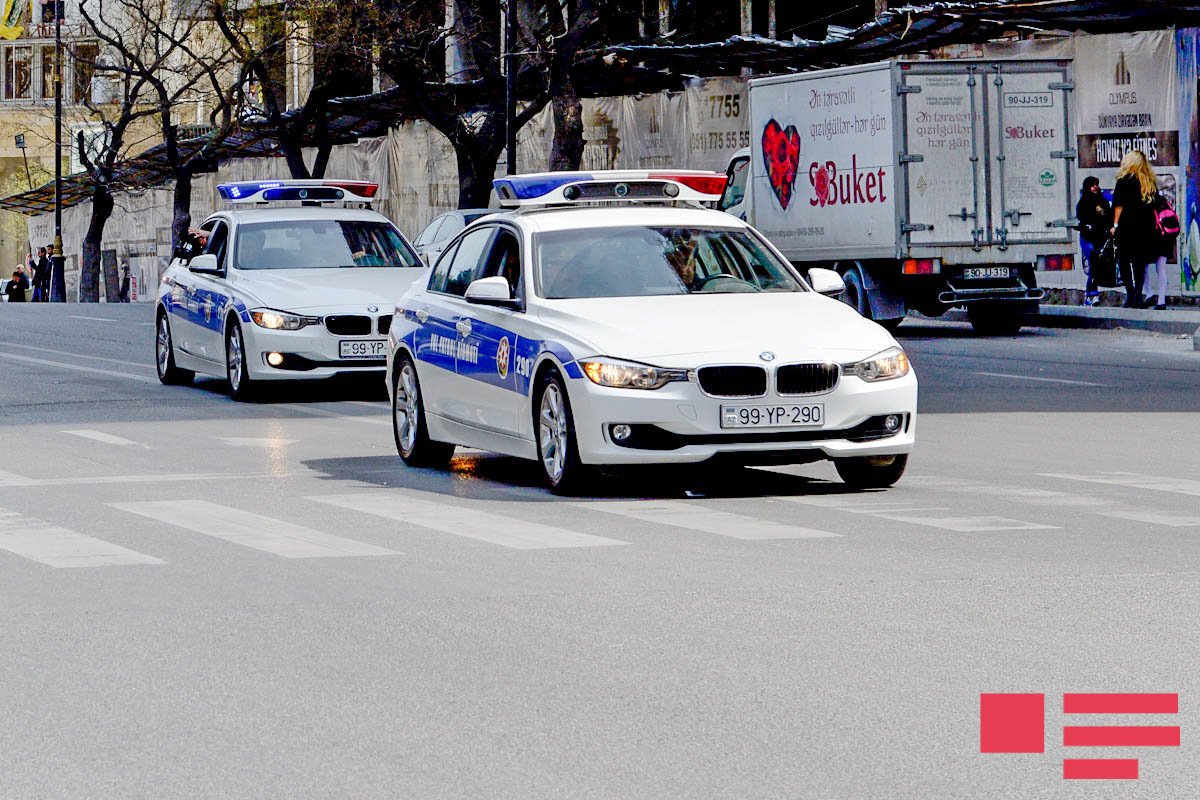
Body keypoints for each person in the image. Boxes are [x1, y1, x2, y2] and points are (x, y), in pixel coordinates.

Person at [1111, 151, 1163, 308]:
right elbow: (1156, 204)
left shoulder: (1123, 181)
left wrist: (1115, 225)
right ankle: (1139, 295)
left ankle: (1130, 294)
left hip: (1126, 227)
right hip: (1145, 228)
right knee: (1139, 263)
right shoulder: (1150, 182)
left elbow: (1118, 206)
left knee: (1124, 261)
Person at [1075, 177, 1110, 306]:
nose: (1095, 187)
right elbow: (1081, 219)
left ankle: (1088, 296)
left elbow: (1108, 218)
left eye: (1096, 185)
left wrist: (1102, 213)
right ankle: (1093, 295)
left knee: (1095, 267)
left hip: (1100, 238)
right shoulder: (1083, 202)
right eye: (1092, 185)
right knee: (1094, 263)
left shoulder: (1103, 202)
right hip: (1087, 238)